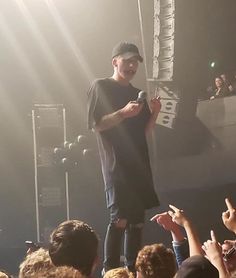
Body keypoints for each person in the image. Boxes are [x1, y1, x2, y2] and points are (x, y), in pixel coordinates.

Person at [87, 41, 161, 273]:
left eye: (134, 62)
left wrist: (155, 113)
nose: (131, 65)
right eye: (127, 60)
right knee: (119, 219)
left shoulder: (135, 93)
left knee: (137, 222)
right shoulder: (101, 86)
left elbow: (145, 131)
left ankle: (133, 270)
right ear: (115, 61)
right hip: (117, 164)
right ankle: (110, 271)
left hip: (139, 163)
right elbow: (96, 124)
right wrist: (123, 113)